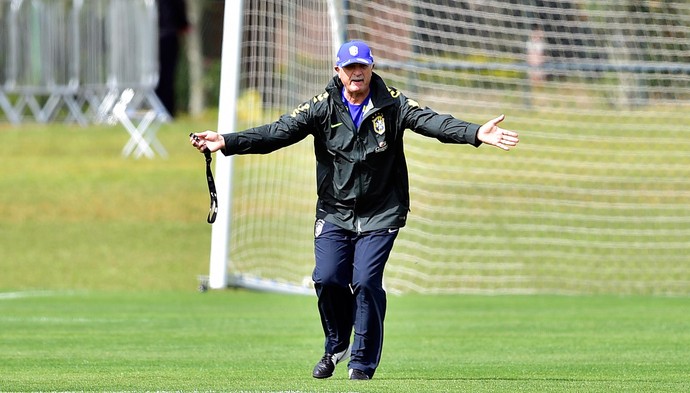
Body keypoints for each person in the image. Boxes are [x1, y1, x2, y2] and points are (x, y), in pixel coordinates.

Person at [190, 40, 519, 380]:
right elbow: (277, 132)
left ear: (371, 67)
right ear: (338, 72)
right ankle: (336, 345)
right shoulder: (321, 107)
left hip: (382, 211)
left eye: (361, 66)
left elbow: (434, 123)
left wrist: (476, 132)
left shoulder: (394, 104)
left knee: (365, 281)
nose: (356, 73)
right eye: (349, 68)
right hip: (334, 211)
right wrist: (226, 141)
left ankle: (361, 362)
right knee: (328, 278)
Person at [156, 0, 190, 118]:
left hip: (158, 35)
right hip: (167, 35)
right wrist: (183, 24)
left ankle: (161, 109)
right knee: (167, 75)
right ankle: (166, 110)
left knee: (162, 76)